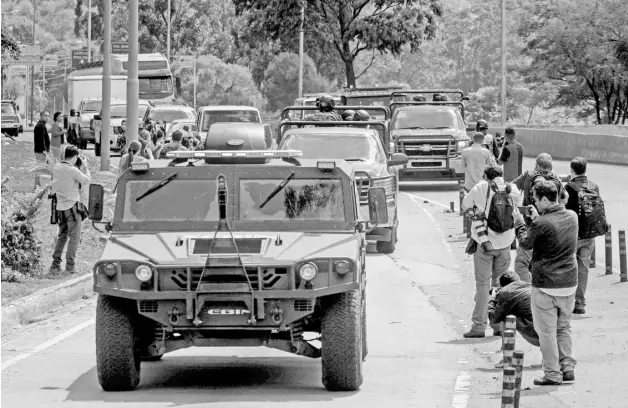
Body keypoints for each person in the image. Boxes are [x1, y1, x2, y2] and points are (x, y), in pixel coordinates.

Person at [514, 180, 578, 385]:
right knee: (564, 327)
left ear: (543, 199)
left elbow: (525, 243)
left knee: (547, 333)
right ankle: (567, 367)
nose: (533, 202)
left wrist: (520, 223)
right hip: (569, 281)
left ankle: (552, 374)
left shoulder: (541, 223)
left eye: (535, 199)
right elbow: (552, 229)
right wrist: (537, 219)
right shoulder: (572, 216)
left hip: (546, 285)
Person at [462, 164, 521, 338]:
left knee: (483, 286)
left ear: (486, 176)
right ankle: (498, 326)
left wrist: (477, 212)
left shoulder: (481, 187)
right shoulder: (513, 189)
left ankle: (479, 326)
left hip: (484, 243)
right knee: (499, 287)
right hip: (505, 244)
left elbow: (466, 204)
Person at [511, 153, 569, 281]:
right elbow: (565, 200)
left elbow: (512, 188)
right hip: (552, 226)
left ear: (536, 164)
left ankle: (526, 294)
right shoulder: (556, 179)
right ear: (551, 166)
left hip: (529, 225)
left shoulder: (528, 175)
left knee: (522, 263)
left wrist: (518, 207)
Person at [564, 157, 601, 315]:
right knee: (583, 269)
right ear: (585, 169)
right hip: (589, 234)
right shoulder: (594, 186)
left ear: (572, 170)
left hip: (572, 235)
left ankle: (567, 302)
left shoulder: (568, 187)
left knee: (568, 269)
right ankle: (580, 303)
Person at [50, 146, 91, 274]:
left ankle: (55, 265)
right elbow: (87, 180)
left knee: (62, 236)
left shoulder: (56, 167)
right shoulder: (73, 170)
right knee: (74, 238)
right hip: (72, 207)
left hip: (60, 208)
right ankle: (70, 267)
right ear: (74, 157)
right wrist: (85, 167)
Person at [488, 271, 539, 347]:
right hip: (554, 332)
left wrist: (493, 298)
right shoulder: (531, 286)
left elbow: (493, 318)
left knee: (507, 313)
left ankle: (507, 351)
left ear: (502, 286)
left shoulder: (506, 291)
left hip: (537, 335)